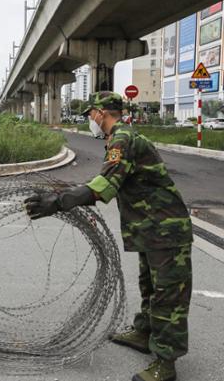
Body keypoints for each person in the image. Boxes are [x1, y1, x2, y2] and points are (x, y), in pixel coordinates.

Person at [24, 91, 193, 381]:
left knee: (169, 296)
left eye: (92, 113)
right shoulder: (120, 138)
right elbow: (104, 182)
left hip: (166, 229)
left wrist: (59, 201)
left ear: (102, 113)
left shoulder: (122, 139)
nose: (90, 118)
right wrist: (61, 196)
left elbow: (105, 185)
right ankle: (144, 332)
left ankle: (166, 363)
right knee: (150, 286)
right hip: (152, 228)